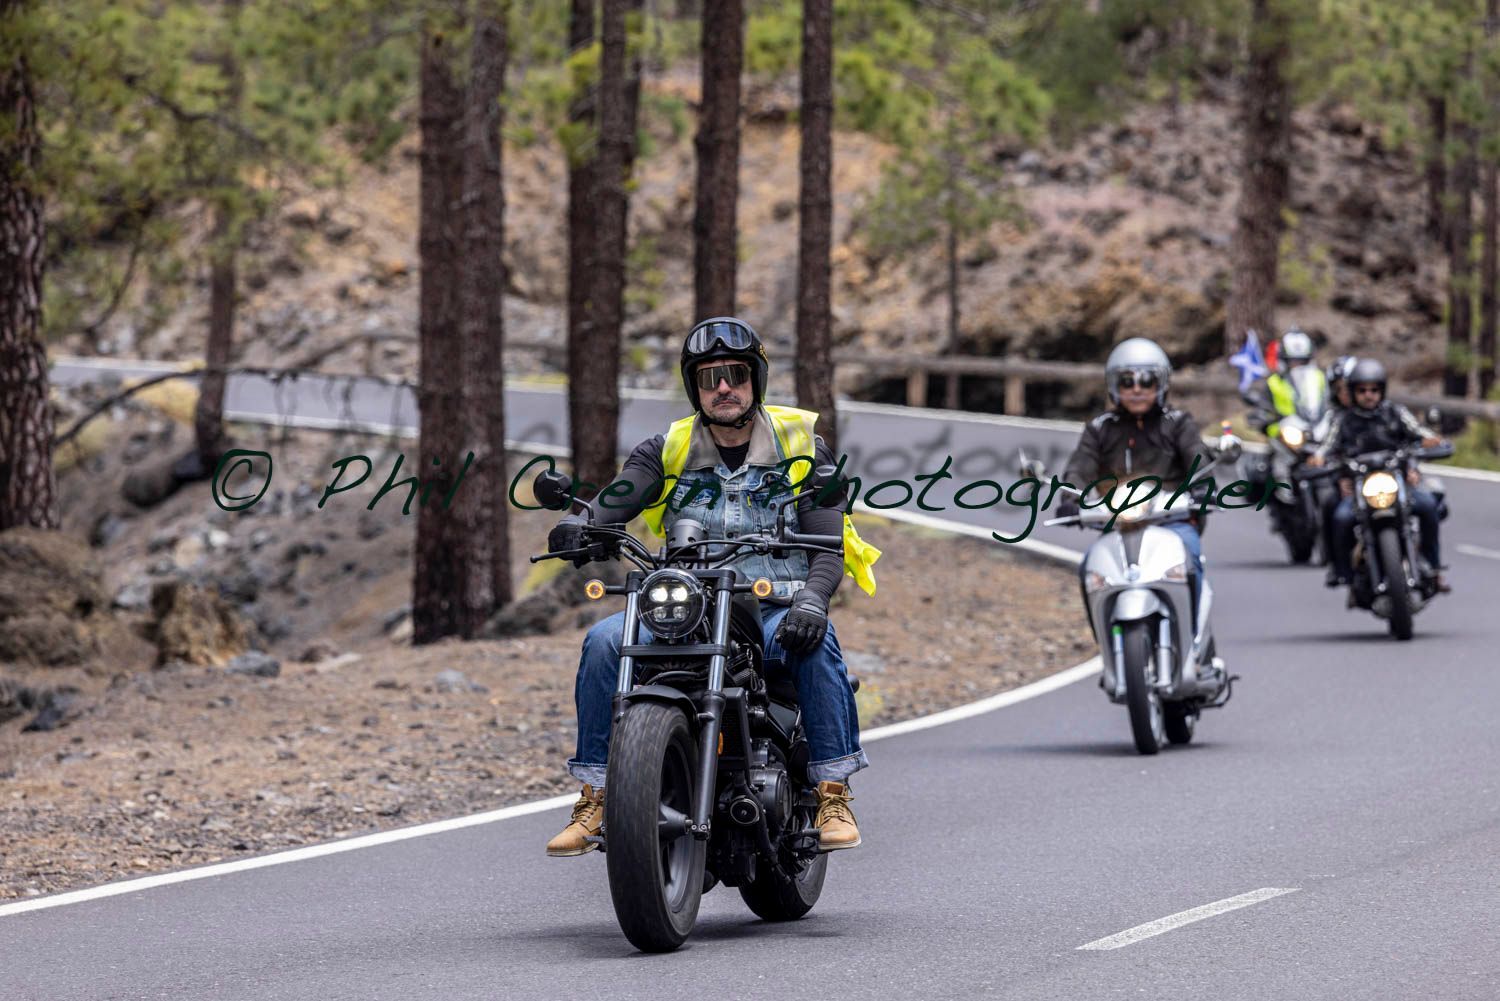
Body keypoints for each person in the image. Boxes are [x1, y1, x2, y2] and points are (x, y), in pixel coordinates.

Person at [543, 316, 880, 858]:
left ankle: (832, 793)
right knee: (604, 641)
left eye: (735, 375)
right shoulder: (665, 449)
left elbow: (828, 545)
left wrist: (814, 599)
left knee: (818, 643)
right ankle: (599, 796)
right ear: (694, 387)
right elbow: (615, 500)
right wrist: (582, 527)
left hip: (774, 604)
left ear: (755, 380)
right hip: (687, 604)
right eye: (709, 378)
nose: (723, 387)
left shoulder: (803, 447)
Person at [1058, 337, 1214, 597]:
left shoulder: (1178, 424)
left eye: (1147, 381)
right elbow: (1080, 467)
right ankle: (1106, 636)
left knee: (1190, 557)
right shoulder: (1100, 429)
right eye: (1127, 381)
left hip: (1172, 520)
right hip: (1117, 523)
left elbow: (1197, 458)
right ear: (1114, 386)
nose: (1137, 389)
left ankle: (1193, 628)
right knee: (1090, 566)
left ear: (1162, 383)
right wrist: (1071, 496)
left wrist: (1202, 488)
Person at [1309, 358, 1449, 592]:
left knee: (1427, 507)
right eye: (1362, 390)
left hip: (1396, 482)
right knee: (1341, 518)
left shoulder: (1395, 412)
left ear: (1381, 391)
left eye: (1374, 390)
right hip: (1360, 488)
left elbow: (1417, 432)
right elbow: (1327, 446)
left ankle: (1432, 567)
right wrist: (1319, 458)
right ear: (1353, 393)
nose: (1368, 395)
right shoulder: (1344, 420)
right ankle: (1342, 571)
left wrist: (1432, 441)